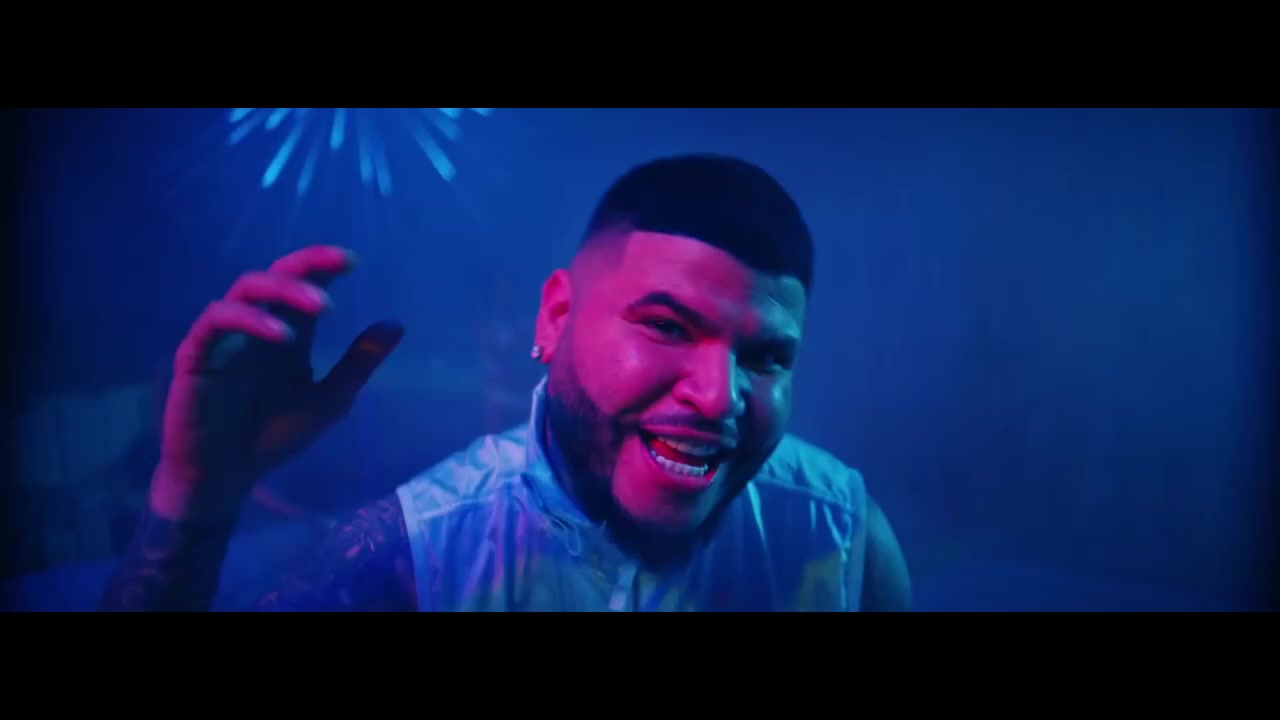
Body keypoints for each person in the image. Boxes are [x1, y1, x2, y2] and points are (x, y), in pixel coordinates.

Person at [98, 153, 911, 612]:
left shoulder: (841, 538)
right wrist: (195, 494)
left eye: (766, 358)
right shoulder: (415, 555)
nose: (718, 394)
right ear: (556, 317)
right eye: (666, 326)